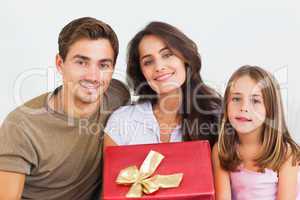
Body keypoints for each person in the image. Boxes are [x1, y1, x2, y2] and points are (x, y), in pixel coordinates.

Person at [0, 17, 130, 199]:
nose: (93, 76)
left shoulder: (118, 96)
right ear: (60, 64)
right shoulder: (21, 127)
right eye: (81, 62)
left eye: (103, 65)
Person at [104, 21, 221, 148]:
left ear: (185, 58)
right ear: (141, 71)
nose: (159, 67)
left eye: (167, 55)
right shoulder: (123, 120)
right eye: (148, 62)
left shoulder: (217, 116)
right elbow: (114, 168)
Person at [212, 65, 300, 200]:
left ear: (270, 110)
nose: (244, 108)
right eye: (236, 99)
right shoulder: (220, 149)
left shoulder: (286, 153)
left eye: (255, 100)